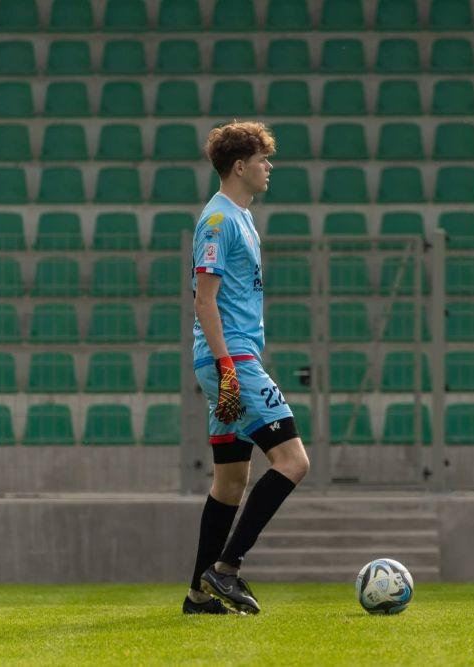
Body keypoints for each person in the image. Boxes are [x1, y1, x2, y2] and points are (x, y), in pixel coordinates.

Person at [183, 121, 309, 615]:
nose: (268, 167)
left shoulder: (239, 217)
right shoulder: (218, 221)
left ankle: (198, 594)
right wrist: (227, 367)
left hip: (231, 359)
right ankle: (227, 567)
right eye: (262, 160)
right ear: (240, 166)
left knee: (231, 480)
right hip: (230, 360)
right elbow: (204, 300)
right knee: (294, 462)